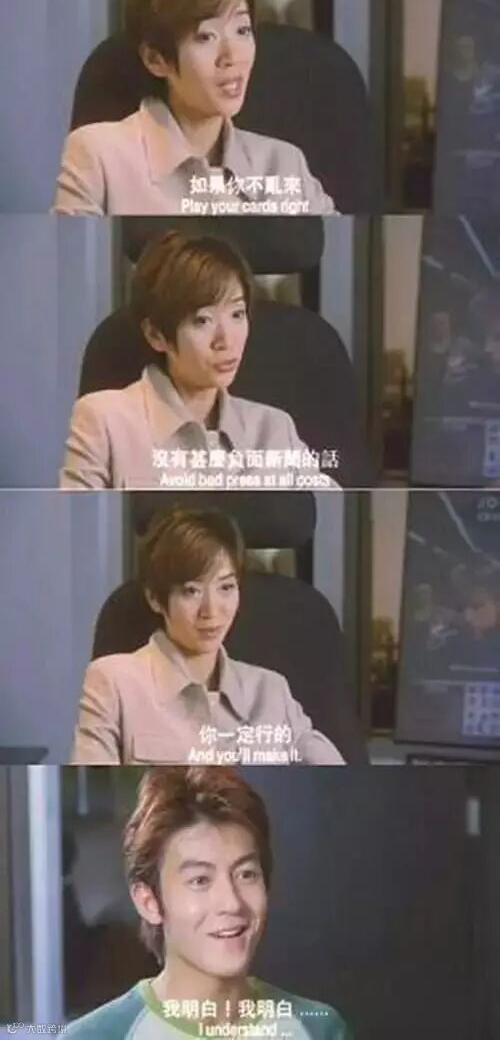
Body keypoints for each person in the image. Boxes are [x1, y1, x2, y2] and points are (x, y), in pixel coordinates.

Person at [65, 765, 353, 1037]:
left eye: (246, 874)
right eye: (200, 880)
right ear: (149, 902)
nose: (231, 903)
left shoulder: (317, 1029)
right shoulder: (98, 1036)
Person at [53, 0, 336, 215]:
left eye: (242, 30)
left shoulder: (285, 164)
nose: (231, 57)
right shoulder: (98, 156)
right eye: (205, 37)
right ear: (156, 59)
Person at [60, 229, 338, 490]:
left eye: (237, 314)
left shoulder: (274, 429)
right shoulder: (103, 420)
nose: (225, 340)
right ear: (156, 335)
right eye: (202, 320)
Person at [72, 505, 345, 765]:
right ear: (155, 598)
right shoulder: (113, 682)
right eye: (191, 591)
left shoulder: (272, 691)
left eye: (226, 587)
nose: (211, 611)